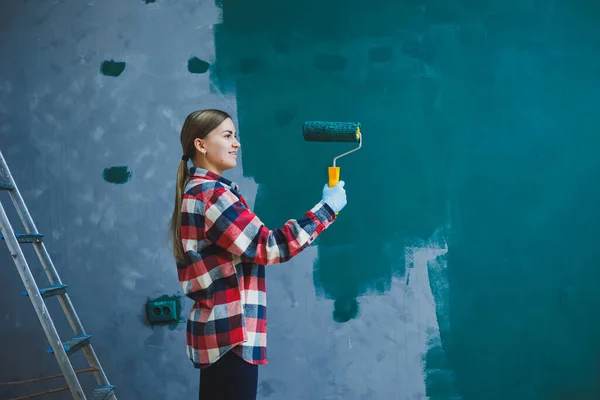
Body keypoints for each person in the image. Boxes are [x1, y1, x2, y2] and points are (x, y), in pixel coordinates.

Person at [169, 109, 348, 400]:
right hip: (231, 337)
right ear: (200, 145)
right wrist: (327, 209)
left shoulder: (198, 191)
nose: (236, 143)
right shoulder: (211, 194)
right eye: (227, 136)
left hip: (221, 334)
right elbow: (270, 247)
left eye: (235, 135)